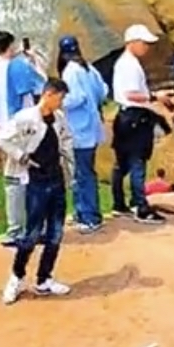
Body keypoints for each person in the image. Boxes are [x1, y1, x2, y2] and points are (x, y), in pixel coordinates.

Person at [0, 77, 74, 303]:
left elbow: (66, 139)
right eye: (59, 98)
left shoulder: (59, 119)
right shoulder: (25, 118)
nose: (61, 103)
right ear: (48, 95)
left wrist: (69, 168)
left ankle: (44, 279)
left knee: (55, 233)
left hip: (56, 179)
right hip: (35, 182)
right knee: (31, 234)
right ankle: (16, 277)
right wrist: (22, 156)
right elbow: (1, 139)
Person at [0, 29, 45, 245]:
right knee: (34, 179)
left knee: (13, 182)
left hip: (7, 134)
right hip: (30, 130)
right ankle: (37, 226)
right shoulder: (23, 68)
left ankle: (16, 230)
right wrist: (34, 60)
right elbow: (44, 86)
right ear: (13, 46)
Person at [57, 35, 107, 231]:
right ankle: (81, 212)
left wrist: (59, 101)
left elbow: (75, 98)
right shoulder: (89, 68)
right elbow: (103, 91)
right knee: (83, 172)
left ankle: (90, 216)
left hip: (79, 130)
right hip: (91, 128)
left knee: (82, 173)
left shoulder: (70, 71)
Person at [112, 98, 171, 221]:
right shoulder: (151, 115)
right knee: (137, 169)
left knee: (120, 169)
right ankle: (140, 207)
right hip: (138, 133)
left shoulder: (122, 110)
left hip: (122, 127)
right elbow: (164, 130)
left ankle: (119, 204)